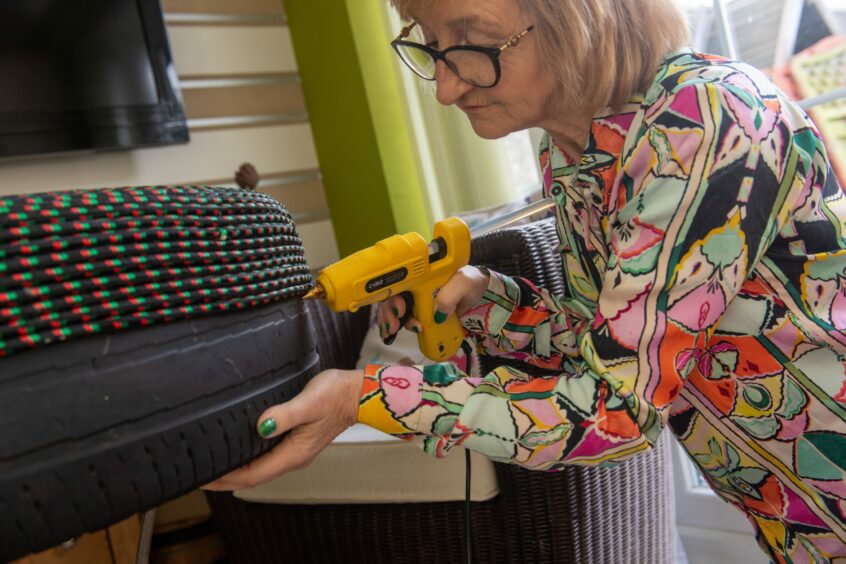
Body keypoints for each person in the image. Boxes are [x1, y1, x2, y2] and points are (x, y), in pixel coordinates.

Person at [202, 0, 846, 560]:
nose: (446, 90)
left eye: (472, 42)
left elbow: (614, 412)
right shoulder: (572, 153)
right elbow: (613, 342)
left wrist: (367, 398)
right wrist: (483, 297)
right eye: (432, 47)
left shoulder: (704, 118)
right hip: (799, 525)